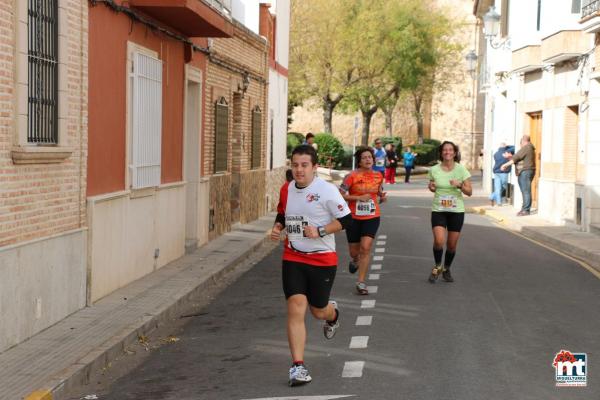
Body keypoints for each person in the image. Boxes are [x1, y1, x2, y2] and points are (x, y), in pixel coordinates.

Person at [271, 145, 352, 386]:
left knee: (317, 311)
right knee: (296, 306)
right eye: (295, 165)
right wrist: (277, 228)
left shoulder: (326, 190)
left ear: (314, 167)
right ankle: (297, 366)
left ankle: (332, 314)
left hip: (322, 258)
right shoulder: (286, 189)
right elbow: (283, 214)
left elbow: (346, 220)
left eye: (304, 165)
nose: (299, 170)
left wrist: (320, 230)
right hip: (293, 256)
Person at [339, 147, 387, 295]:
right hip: (353, 217)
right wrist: (357, 198)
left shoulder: (379, 175)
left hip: (372, 217)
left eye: (370, 157)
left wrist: (382, 197)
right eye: (364, 157)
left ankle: (361, 282)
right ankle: (355, 260)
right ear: (359, 161)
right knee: (354, 252)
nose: (368, 160)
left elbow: (379, 192)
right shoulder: (350, 176)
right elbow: (339, 195)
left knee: (365, 247)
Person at [427, 141, 472, 283]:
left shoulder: (461, 170)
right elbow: (432, 187)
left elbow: (469, 192)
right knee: (439, 241)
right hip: (439, 210)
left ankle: (446, 268)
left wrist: (459, 185)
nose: (447, 152)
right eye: (445, 150)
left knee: (451, 245)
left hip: (456, 211)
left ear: (454, 152)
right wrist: (431, 187)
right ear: (441, 152)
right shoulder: (434, 170)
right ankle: (437, 266)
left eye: (450, 150)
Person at [501, 135, 535, 216]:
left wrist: (505, 165)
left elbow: (516, 157)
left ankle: (526, 210)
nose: (520, 145)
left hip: (525, 171)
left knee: (526, 191)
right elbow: (517, 158)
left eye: (520, 143)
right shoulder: (529, 148)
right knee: (525, 191)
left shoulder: (526, 147)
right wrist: (510, 157)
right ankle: (524, 209)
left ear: (523, 141)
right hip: (526, 171)